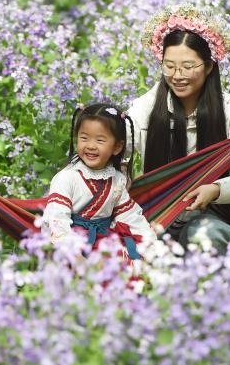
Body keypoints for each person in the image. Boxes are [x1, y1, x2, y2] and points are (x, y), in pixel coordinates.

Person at [126, 4, 230, 251]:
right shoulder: (144, 108)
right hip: (154, 214)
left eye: (188, 67)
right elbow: (117, 151)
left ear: (209, 66)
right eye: (169, 66)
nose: (177, 75)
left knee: (205, 236)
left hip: (212, 214)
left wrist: (216, 189)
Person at [42, 103, 156, 260]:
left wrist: (151, 245)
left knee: (130, 263)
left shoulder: (117, 180)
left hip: (104, 243)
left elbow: (129, 216)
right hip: (72, 246)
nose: (90, 146)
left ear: (117, 147)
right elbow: (56, 219)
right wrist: (74, 256)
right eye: (84, 138)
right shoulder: (66, 178)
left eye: (100, 140)